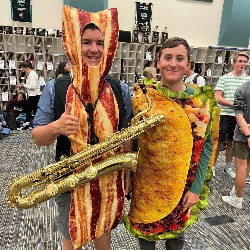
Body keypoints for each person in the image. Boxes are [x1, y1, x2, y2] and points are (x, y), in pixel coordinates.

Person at [32, 6, 132, 250]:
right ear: (74, 43)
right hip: (70, 182)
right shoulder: (56, 88)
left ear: (108, 46)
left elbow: (127, 134)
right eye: (86, 42)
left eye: (100, 42)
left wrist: (128, 170)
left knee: (103, 233)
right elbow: (38, 137)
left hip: (109, 179)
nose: (94, 49)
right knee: (71, 236)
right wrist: (56, 126)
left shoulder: (121, 90)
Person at [124, 37, 218, 250]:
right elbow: (131, 137)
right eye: (167, 58)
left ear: (188, 64)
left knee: (176, 239)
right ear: (158, 62)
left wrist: (196, 188)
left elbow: (207, 147)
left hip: (184, 184)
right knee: (146, 237)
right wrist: (127, 174)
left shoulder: (200, 102)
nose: (173, 63)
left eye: (179, 58)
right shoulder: (144, 98)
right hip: (147, 183)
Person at [213, 52, 250, 179]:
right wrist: (233, 105)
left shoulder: (248, 80)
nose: (243, 64)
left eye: (245, 62)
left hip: (240, 118)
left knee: (231, 143)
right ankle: (212, 166)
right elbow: (217, 97)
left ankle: (228, 167)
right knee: (218, 141)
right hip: (225, 114)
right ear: (233, 63)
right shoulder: (224, 78)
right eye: (240, 61)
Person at [222, 80, 250, 209]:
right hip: (245, 134)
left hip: (242, 136)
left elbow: (239, 114)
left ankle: (237, 199)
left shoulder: (242, 89)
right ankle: (237, 190)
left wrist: (248, 134)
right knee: (247, 166)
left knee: (241, 167)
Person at [19, 61, 41, 130]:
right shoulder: (32, 74)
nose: (23, 70)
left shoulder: (31, 74)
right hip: (35, 94)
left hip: (33, 95)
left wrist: (24, 85)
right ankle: (35, 124)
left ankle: (28, 123)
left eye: (23, 68)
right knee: (34, 110)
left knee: (29, 109)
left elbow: (33, 86)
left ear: (27, 68)